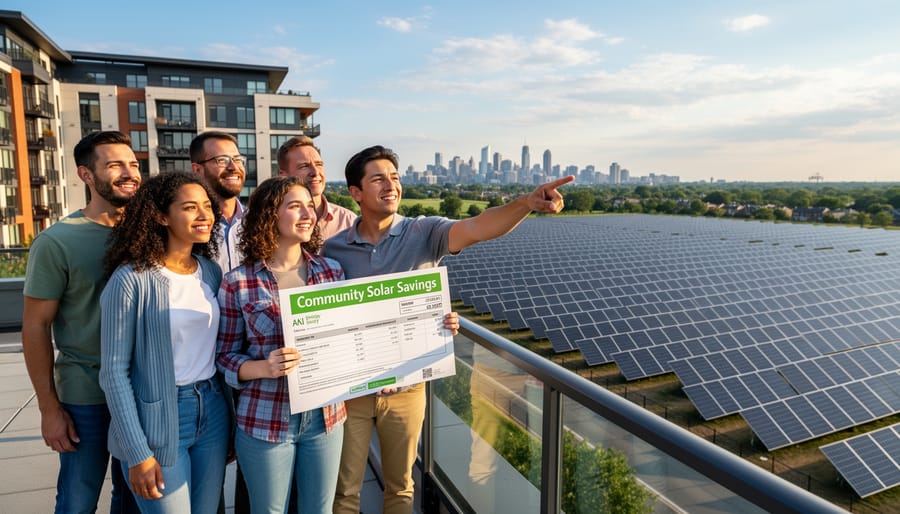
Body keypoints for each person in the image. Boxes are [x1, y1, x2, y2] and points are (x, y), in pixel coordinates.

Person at [328, 145, 572, 514]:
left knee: (401, 488)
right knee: (344, 491)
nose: (391, 185)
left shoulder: (423, 232)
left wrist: (526, 203)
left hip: (407, 388)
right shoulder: (332, 250)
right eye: (378, 179)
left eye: (394, 177)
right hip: (352, 392)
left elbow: (478, 227)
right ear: (355, 192)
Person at [22, 130, 141, 514]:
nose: (130, 173)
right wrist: (48, 409)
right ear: (86, 175)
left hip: (143, 392)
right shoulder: (57, 241)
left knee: (135, 500)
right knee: (77, 500)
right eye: (115, 165)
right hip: (86, 396)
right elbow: (35, 327)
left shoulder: (151, 234)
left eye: (133, 164)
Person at [99, 171, 230, 514]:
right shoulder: (131, 280)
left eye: (207, 206)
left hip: (213, 410)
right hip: (158, 418)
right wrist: (137, 453)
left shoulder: (210, 272)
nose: (203, 215)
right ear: (160, 216)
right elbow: (113, 373)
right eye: (189, 207)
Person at [215, 176, 347, 513]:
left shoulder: (331, 272)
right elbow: (224, 357)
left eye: (310, 206)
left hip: (326, 418)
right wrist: (263, 367)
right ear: (269, 214)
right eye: (295, 206)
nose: (308, 214)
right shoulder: (238, 282)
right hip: (266, 419)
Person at [277, 136, 356, 241]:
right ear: (283, 175)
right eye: (304, 166)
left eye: (319, 164)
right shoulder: (271, 223)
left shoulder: (348, 222)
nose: (315, 172)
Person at [191, 130, 247, 271]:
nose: (233, 167)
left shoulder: (258, 222)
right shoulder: (188, 226)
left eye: (237, 159)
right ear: (197, 170)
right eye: (222, 160)